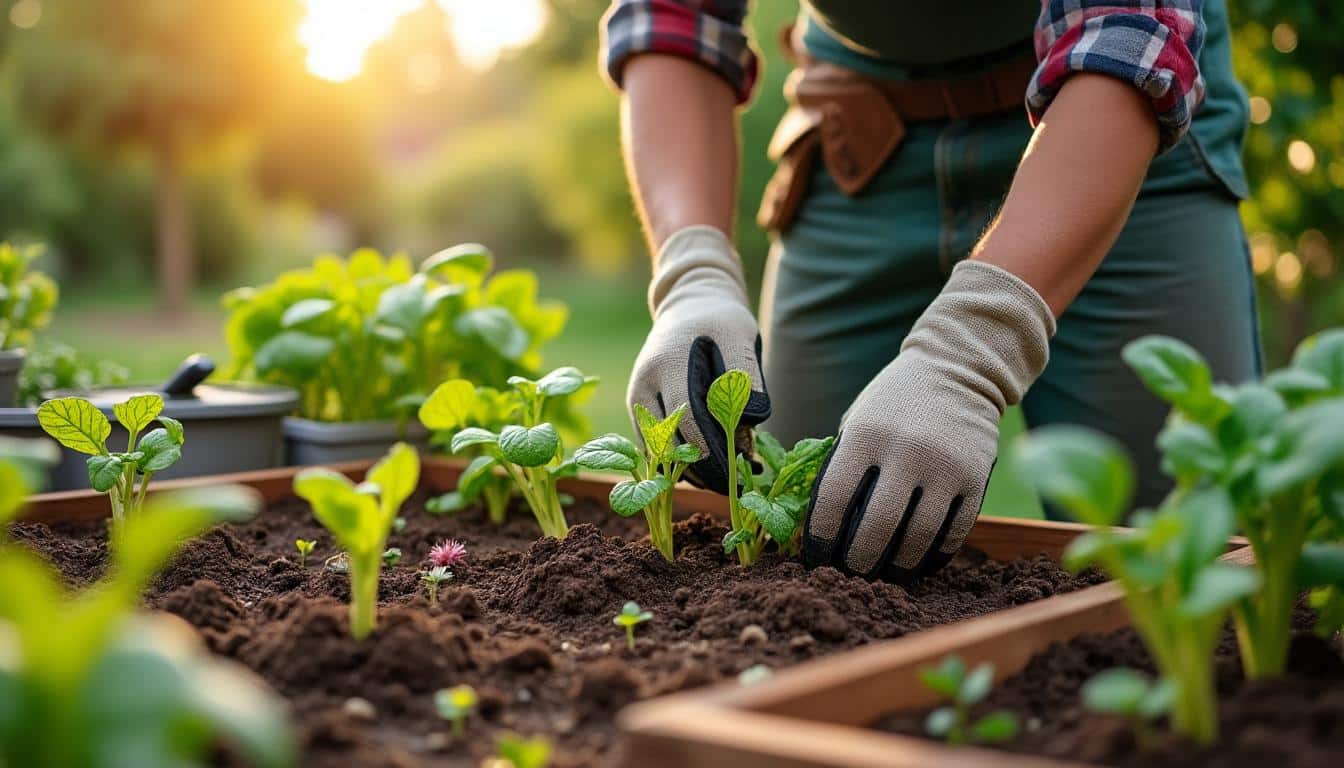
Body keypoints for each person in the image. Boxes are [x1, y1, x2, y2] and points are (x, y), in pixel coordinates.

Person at [602, 1, 1259, 582]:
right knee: (791, 547)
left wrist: (972, 349)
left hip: (1120, 134)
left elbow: (1128, 32)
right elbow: (672, 16)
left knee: (1186, 562)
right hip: (861, 142)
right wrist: (693, 271)